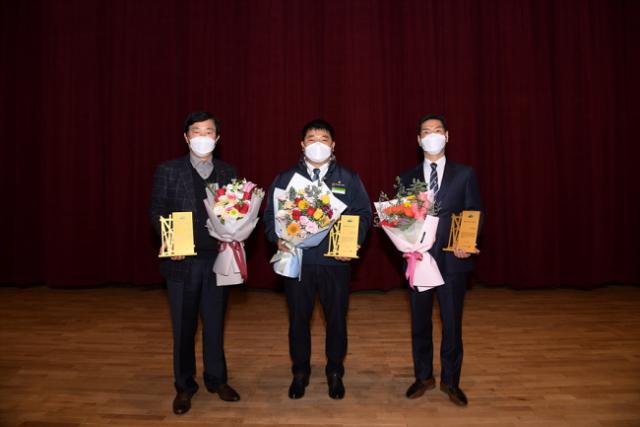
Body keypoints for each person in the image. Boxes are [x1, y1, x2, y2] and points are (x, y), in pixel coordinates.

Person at [264, 119, 372, 400]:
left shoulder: (348, 178)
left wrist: (353, 241)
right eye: (311, 139)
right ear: (302, 145)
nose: (317, 144)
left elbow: (364, 213)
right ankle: (300, 372)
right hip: (297, 261)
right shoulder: (285, 178)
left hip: (335, 262)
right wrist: (276, 238)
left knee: (336, 320)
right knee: (298, 320)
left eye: (324, 139)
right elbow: (269, 216)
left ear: (333, 145)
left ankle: (335, 372)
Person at [149, 111, 240, 415]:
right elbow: (157, 211)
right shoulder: (169, 170)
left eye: (208, 131)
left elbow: (238, 213)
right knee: (183, 327)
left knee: (214, 324)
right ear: (186, 137)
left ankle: (217, 379)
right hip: (182, 262)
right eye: (196, 131)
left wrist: (236, 233)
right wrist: (169, 239)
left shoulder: (228, 172)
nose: (203, 137)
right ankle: (184, 386)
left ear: (217, 137)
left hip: (218, 260)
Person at [399, 114, 483, 406]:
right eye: (426, 131)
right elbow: (401, 219)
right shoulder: (407, 177)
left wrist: (466, 242)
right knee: (420, 322)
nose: (432, 135)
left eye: (437, 130)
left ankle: (451, 380)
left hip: (453, 261)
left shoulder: (465, 174)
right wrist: (404, 241)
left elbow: (473, 211)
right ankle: (423, 376)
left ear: (447, 136)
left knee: (452, 323)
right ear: (419, 139)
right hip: (419, 260)